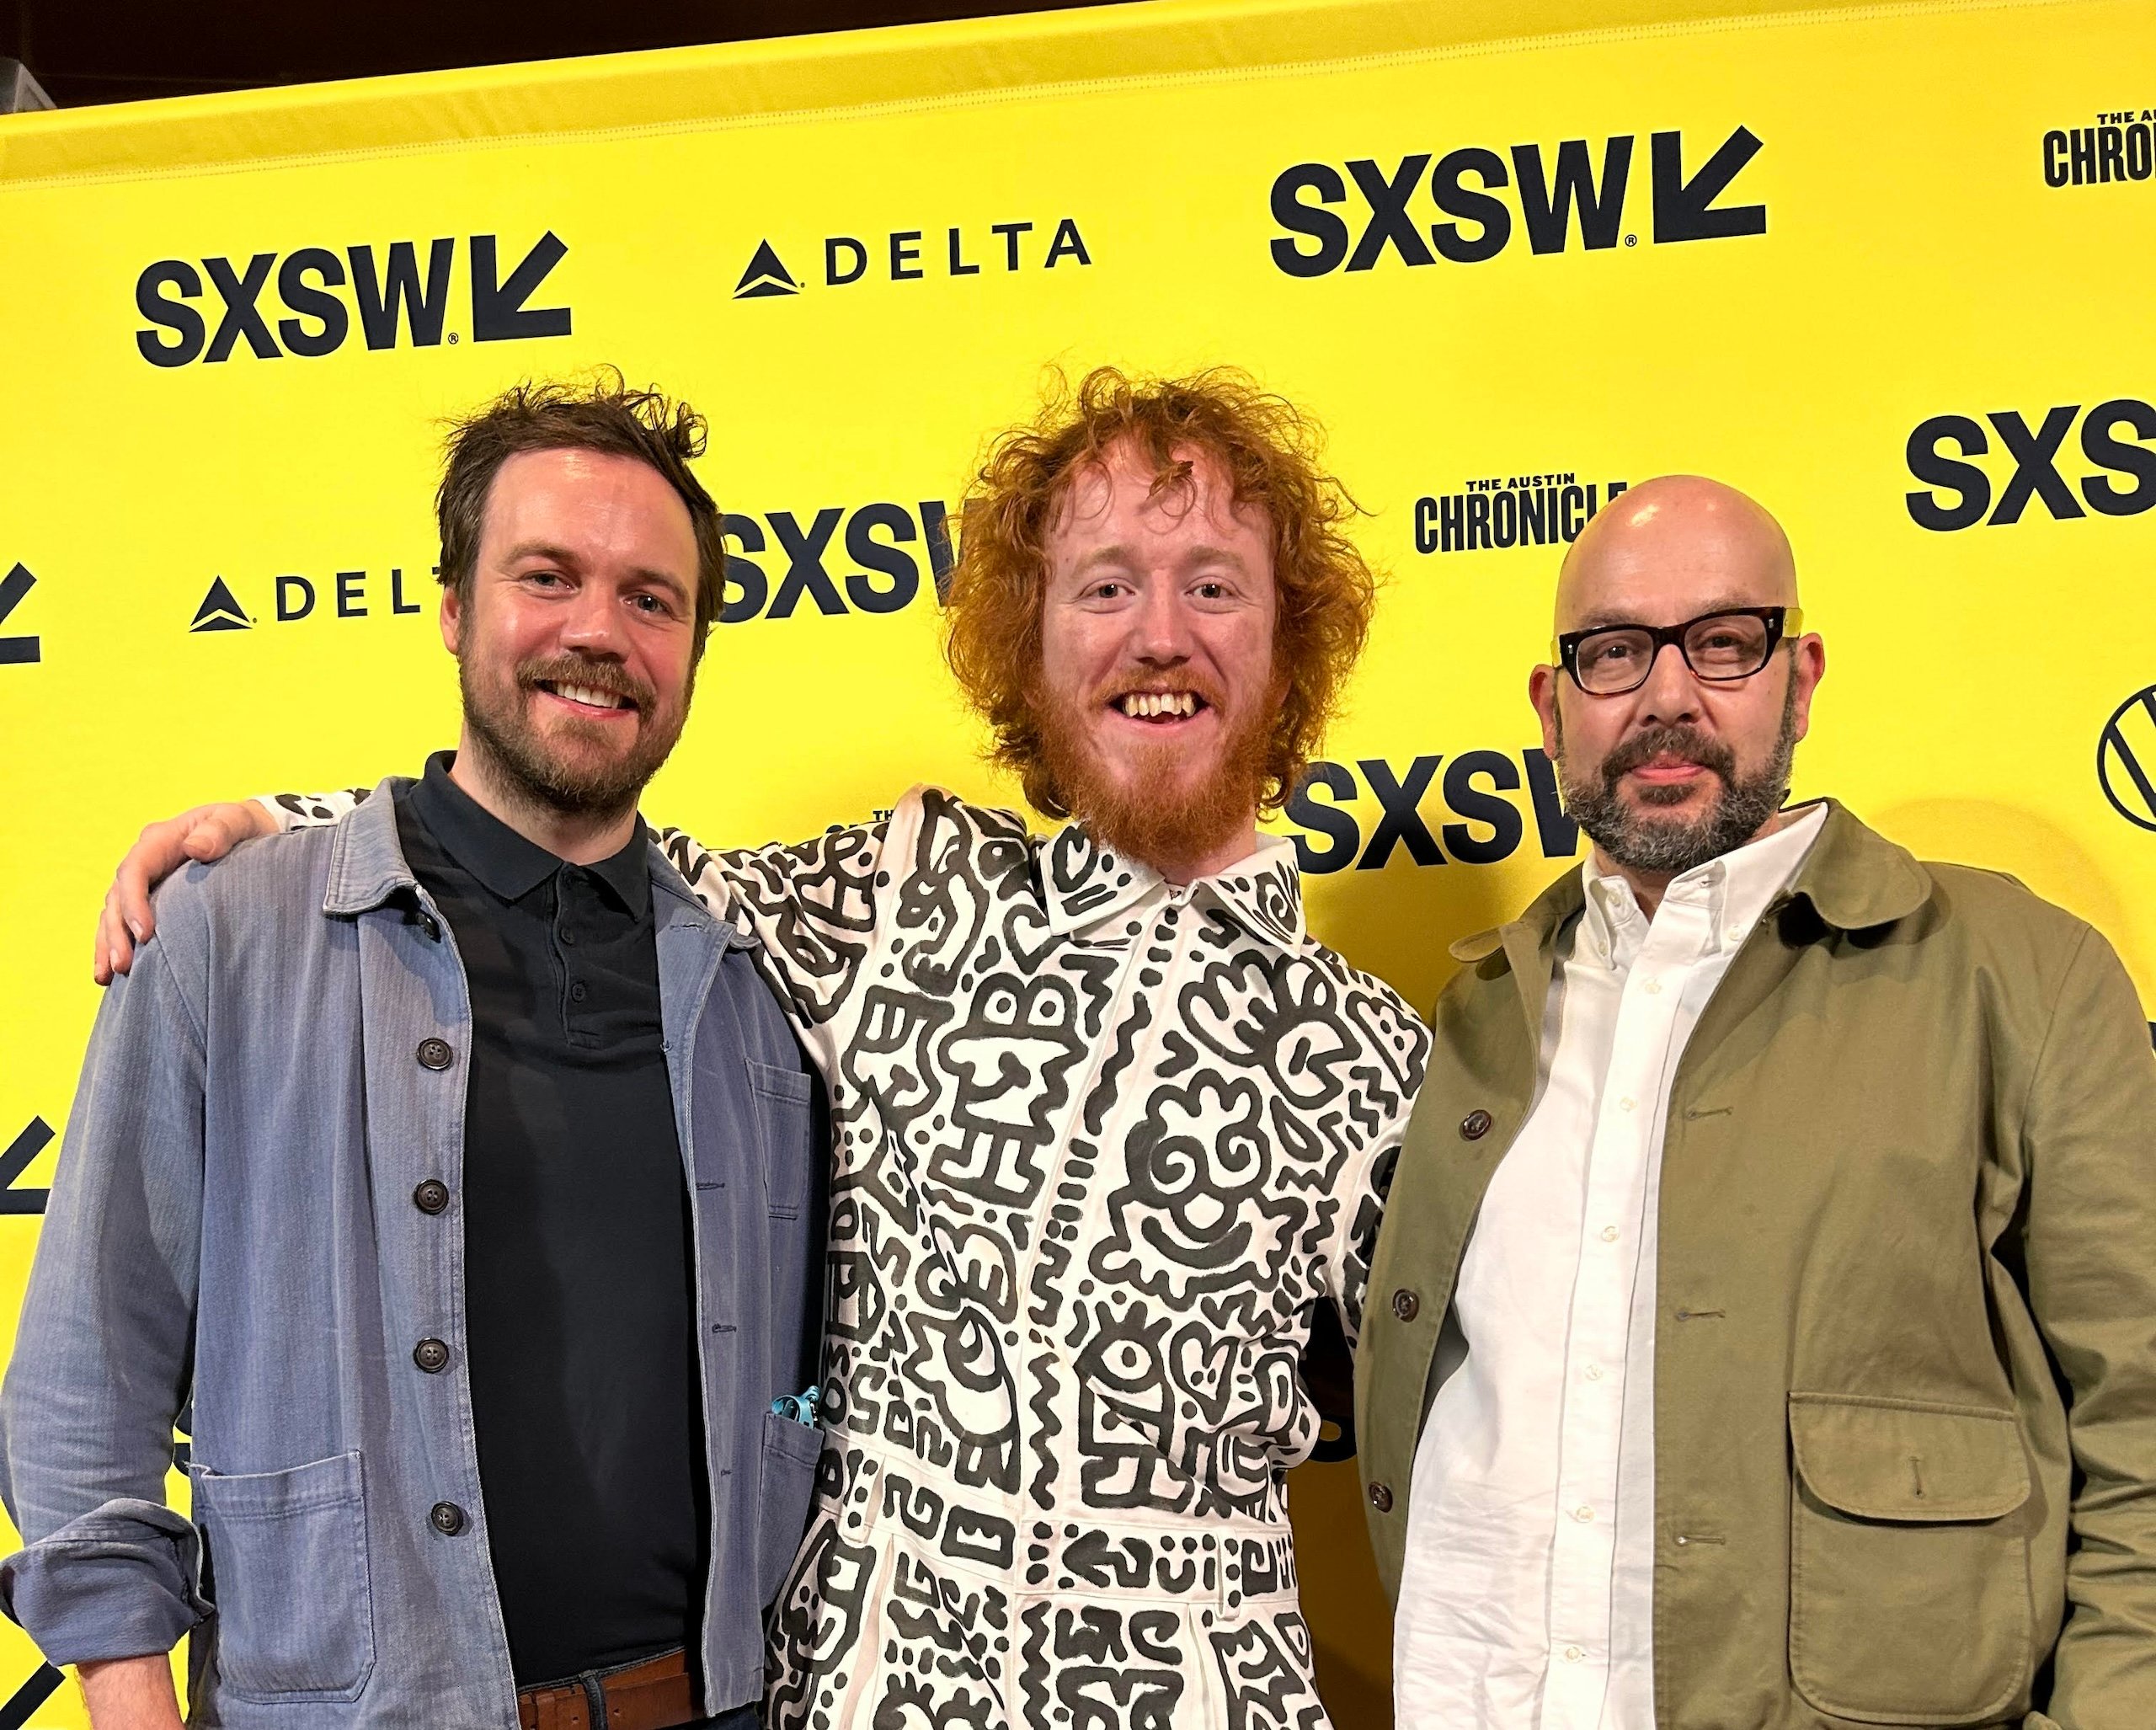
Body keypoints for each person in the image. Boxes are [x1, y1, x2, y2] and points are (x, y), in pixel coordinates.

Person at [88, 367, 1432, 1728]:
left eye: (1213, 586)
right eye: (1103, 587)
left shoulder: (1379, 1064)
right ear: (1031, 644)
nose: (1159, 635)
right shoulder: (905, 892)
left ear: (1289, 638)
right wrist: (283, 826)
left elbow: (1491, 1463)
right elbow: (559, 834)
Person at [3, 378, 825, 1730]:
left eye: (650, 598)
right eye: (546, 576)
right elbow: (86, 1376)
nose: (597, 633)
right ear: (453, 608)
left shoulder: (752, 981)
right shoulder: (230, 935)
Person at [1355, 474, 2156, 1727]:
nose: (1669, 695)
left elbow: (2145, 1422)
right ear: (1551, 706)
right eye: (1614, 651)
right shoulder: (1484, 1016)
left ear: (1800, 674)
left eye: (1724, 643)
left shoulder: (2019, 973)